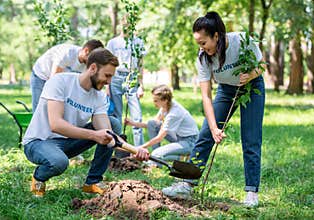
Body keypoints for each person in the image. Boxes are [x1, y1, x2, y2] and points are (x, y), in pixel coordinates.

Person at [162, 11, 265, 207]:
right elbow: (206, 96)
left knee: (251, 138)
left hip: (252, 88)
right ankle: (187, 183)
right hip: (226, 90)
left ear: (216, 36)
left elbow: (262, 65)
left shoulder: (242, 41)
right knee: (204, 135)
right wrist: (214, 128)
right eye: (198, 44)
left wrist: (251, 75)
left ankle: (251, 192)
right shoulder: (203, 58)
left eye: (203, 42)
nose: (201, 48)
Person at [23, 48, 150, 197]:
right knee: (59, 162)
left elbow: (108, 134)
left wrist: (135, 150)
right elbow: (56, 124)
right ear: (93, 68)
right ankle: (39, 178)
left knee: (113, 124)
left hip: (68, 143)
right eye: (107, 75)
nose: (108, 82)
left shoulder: (99, 96)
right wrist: (94, 135)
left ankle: (93, 182)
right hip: (39, 142)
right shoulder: (61, 81)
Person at [125, 84, 199, 166]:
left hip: (190, 142)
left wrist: (140, 147)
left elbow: (159, 138)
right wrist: (133, 123)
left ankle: (154, 160)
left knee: (156, 153)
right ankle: (161, 159)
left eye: (156, 100)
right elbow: (153, 124)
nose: (154, 103)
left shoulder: (174, 113)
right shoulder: (165, 106)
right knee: (152, 123)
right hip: (178, 137)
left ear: (165, 100)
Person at [106, 16, 146, 156]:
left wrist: (141, 85)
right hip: (116, 77)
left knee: (137, 117)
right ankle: (118, 150)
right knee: (116, 116)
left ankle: (139, 151)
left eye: (129, 24)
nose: (126, 26)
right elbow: (107, 65)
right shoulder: (113, 43)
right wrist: (107, 86)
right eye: (123, 23)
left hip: (132, 77)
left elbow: (141, 65)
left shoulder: (138, 42)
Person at [30, 39, 104, 112]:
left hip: (57, 79)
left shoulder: (88, 65)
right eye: (93, 58)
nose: (93, 62)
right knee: (40, 108)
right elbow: (53, 80)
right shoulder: (67, 53)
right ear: (86, 51)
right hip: (41, 74)